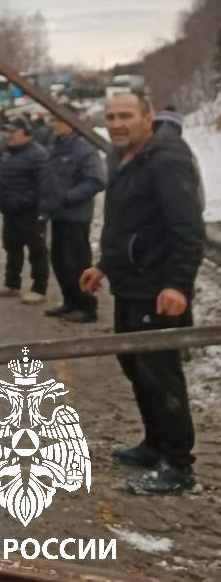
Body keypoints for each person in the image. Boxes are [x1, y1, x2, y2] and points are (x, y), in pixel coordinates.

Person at [80, 92, 203, 495]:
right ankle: (155, 444)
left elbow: (187, 230)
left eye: (126, 116)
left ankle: (178, 464)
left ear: (147, 118)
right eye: (111, 116)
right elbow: (122, 225)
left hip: (158, 286)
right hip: (130, 283)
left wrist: (177, 284)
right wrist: (103, 266)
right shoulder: (123, 158)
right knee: (134, 365)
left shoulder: (167, 160)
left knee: (160, 372)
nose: (117, 123)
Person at [39, 109, 105, 323]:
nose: (54, 125)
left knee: (76, 262)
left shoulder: (83, 148)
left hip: (76, 216)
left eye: (58, 120)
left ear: (71, 122)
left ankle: (86, 307)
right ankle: (70, 302)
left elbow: (96, 180)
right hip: (58, 214)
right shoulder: (56, 144)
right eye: (53, 120)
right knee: (59, 261)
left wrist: (68, 197)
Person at [0, 117, 50, 305]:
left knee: (36, 250)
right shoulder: (8, 152)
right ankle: (11, 284)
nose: (9, 135)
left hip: (30, 212)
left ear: (25, 132)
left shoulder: (38, 154)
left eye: (13, 131)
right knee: (12, 248)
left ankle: (39, 288)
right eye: (8, 131)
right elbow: (0, 179)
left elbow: (42, 186)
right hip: (10, 212)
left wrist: (22, 202)